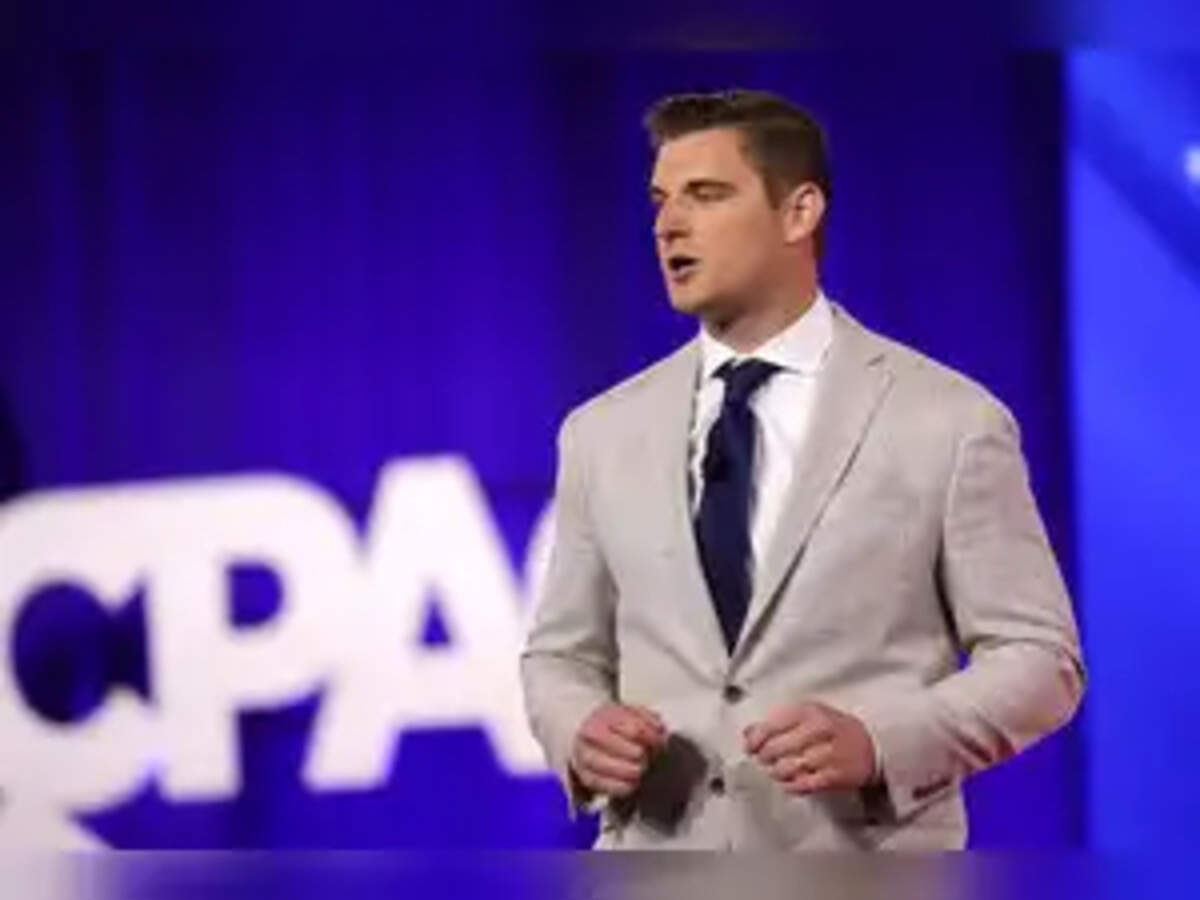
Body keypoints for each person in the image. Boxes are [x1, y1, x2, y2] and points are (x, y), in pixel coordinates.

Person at [520, 89, 1084, 850]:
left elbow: (1041, 662)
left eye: (706, 195)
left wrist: (882, 742)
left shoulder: (948, 420)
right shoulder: (600, 432)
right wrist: (580, 729)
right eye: (659, 201)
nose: (668, 224)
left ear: (799, 213)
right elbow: (561, 655)